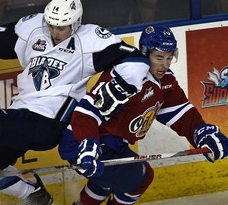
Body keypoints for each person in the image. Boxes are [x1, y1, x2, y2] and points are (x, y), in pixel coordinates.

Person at [0, 0, 150, 205]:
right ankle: (34, 194)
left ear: (76, 22)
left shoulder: (90, 39)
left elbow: (136, 60)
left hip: (51, 120)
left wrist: (119, 86)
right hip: (23, 112)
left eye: (62, 27)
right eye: (51, 25)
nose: (55, 32)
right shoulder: (33, 26)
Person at [58, 25, 228, 205]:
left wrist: (202, 132)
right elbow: (86, 112)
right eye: (159, 57)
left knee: (111, 181)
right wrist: (88, 144)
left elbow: (182, 114)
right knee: (141, 179)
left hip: (112, 145)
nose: (165, 64)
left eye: (170, 57)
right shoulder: (127, 75)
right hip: (82, 142)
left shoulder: (166, 81)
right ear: (145, 54)